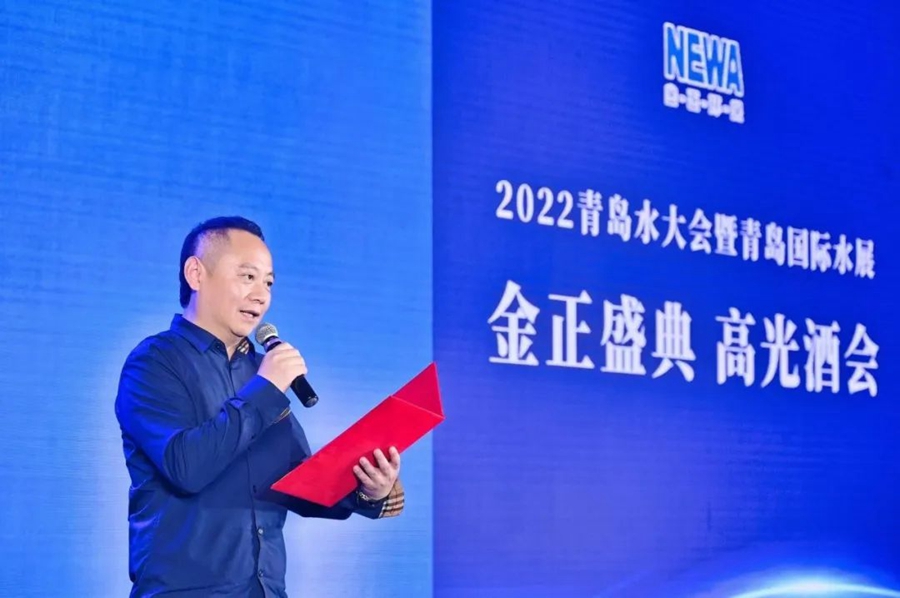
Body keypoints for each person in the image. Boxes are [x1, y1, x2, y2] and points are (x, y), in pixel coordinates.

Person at [115, 216, 404, 597]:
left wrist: (368, 489)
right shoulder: (155, 362)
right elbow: (185, 467)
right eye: (248, 277)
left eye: (268, 283)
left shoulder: (261, 372)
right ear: (196, 273)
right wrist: (266, 389)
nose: (261, 295)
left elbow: (299, 482)